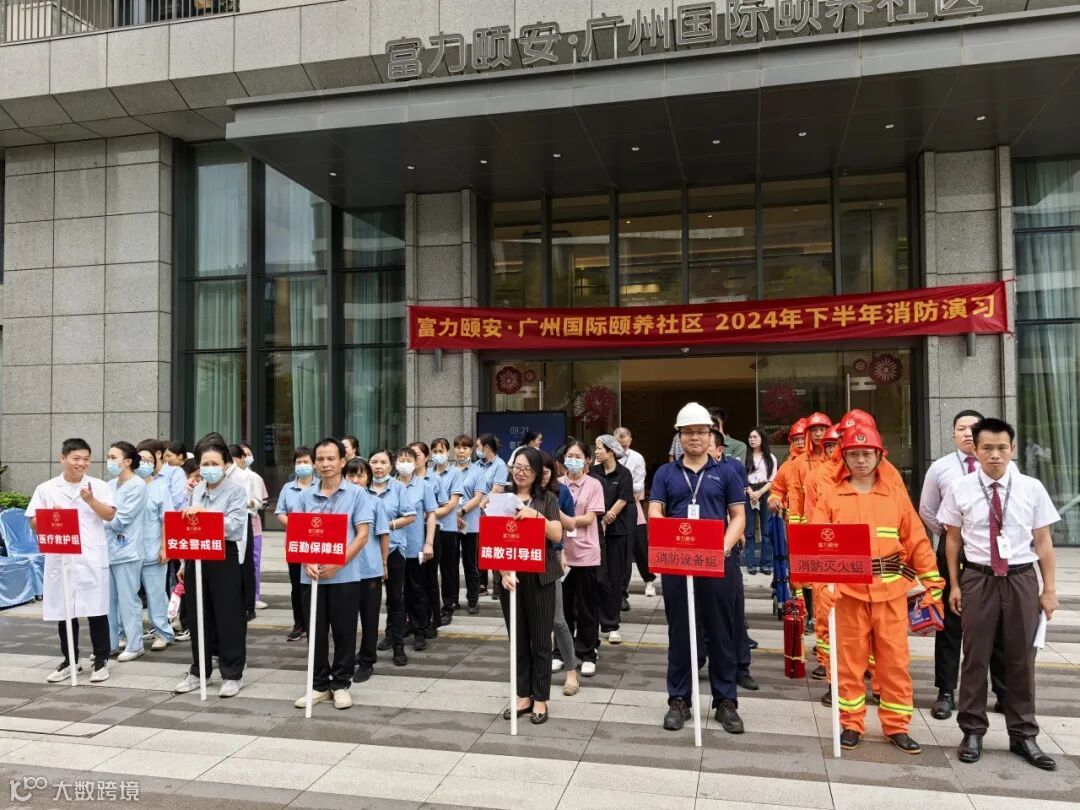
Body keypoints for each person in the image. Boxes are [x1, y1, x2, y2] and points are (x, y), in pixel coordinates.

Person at [811, 425, 943, 753]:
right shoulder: (830, 496)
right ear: (844, 457)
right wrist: (821, 587)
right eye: (853, 454)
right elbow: (815, 548)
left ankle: (897, 726)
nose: (860, 460)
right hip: (848, 594)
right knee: (849, 662)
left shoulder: (895, 495)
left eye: (866, 454)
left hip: (891, 593)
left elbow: (918, 542)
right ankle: (850, 724)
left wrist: (933, 585)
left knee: (894, 662)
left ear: (879, 455)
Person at [940, 417, 1060, 771]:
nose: (995, 455)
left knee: (1021, 658)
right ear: (975, 451)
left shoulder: (1031, 488)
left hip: (1021, 580)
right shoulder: (960, 488)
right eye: (987, 448)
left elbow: (1043, 541)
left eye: (1002, 448)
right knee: (975, 657)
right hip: (978, 578)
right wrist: (955, 584)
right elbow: (952, 539)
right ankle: (972, 730)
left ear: (1013, 449)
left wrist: (1049, 589)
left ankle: (1023, 734)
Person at [650, 403, 747, 734]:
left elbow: (738, 516)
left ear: (711, 435)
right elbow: (655, 512)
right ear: (679, 436)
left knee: (722, 630)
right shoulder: (665, 474)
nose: (695, 437)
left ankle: (726, 701)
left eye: (701, 432)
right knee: (680, 631)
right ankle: (679, 700)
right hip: (677, 564)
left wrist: (723, 547)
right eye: (688, 432)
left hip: (717, 561)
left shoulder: (727, 472)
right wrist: (669, 540)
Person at [919, 410, 1008, 721]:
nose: (968, 433)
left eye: (974, 427)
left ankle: (1003, 692)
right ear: (953, 433)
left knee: (997, 622)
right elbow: (927, 509)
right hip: (953, 552)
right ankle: (946, 692)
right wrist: (951, 535)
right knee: (950, 622)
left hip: (993, 551)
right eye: (961, 428)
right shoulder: (941, 468)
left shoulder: (1004, 466)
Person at [291, 439, 375, 711]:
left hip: (345, 575)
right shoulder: (304, 496)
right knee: (315, 632)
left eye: (330, 459)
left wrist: (338, 563)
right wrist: (306, 560)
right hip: (311, 576)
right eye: (320, 459)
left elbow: (362, 536)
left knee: (344, 632)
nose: (325, 464)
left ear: (342, 461)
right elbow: (297, 533)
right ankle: (318, 685)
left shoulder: (357, 494)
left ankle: (340, 684)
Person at [29, 439, 117, 684]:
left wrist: (90, 500)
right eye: (76, 458)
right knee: (65, 611)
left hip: (91, 557)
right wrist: (51, 516)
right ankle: (70, 661)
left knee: (97, 610)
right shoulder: (46, 488)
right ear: (63, 458)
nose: (82, 463)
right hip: (62, 558)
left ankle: (101, 660)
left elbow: (110, 514)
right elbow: (33, 522)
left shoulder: (98, 486)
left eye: (86, 459)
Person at [173, 437, 249, 698]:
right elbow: (189, 526)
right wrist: (184, 562)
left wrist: (207, 517)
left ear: (225, 464)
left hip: (223, 555)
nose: (210, 468)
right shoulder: (197, 489)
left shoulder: (236, 489)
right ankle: (199, 670)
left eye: (215, 463)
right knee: (198, 616)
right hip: (196, 556)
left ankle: (232, 673)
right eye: (205, 464)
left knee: (228, 617)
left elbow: (235, 526)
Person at [498, 447, 564, 725]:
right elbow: (493, 539)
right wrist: (502, 572)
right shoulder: (501, 498)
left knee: (540, 639)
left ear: (537, 473)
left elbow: (557, 534)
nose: (521, 473)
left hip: (541, 577)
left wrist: (535, 516)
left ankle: (541, 698)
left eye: (527, 469)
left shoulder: (547, 499)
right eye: (517, 467)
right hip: (511, 578)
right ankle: (522, 694)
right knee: (518, 639)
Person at [708, 430, 757, 692]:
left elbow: (739, 509)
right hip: (696, 553)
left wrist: (737, 534)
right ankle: (699, 659)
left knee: (733, 609)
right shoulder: (683, 472)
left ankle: (740, 667)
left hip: (726, 550)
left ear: (719, 449)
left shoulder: (732, 469)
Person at [558, 440, 605, 678]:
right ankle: (562, 652)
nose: (573, 460)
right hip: (562, 554)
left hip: (586, 554)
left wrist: (565, 520)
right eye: (569, 455)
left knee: (587, 607)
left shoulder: (594, 484)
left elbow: (589, 518)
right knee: (562, 608)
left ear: (587, 460)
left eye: (578, 456)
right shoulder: (557, 484)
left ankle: (588, 652)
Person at [344, 457, 391, 683]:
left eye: (360, 475)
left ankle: (367, 660)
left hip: (369, 569)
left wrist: (384, 564)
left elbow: (383, 535)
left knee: (369, 618)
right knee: (346, 618)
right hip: (343, 570)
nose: (355, 480)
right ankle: (348, 657)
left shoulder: (375, 503)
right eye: (350, 475)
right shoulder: (338, 502)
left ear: (368, 479)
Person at [370, 449, 416, 666]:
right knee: (369, 601)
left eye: (383, 462)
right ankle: (368, 649)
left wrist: (386, 525)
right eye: (374, 462)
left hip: (394, 549)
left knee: (396, 598)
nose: (378, 466)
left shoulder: (398, 488)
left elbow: (410, 516)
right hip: (368, 551)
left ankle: (398, 645)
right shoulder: (362, 488)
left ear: (391, 465)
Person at [105, 441, 149, 663]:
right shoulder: (109, 485)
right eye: (108, 457)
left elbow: (121, 519)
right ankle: (111, 643)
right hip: (107, 551)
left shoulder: (138, 485)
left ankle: (135, 644)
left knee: (128, 600)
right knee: (108, 602)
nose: (110, 461)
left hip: (128, 551)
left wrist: (101, 515)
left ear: (128, 461)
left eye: (114, 457)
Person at [540, 451, 580, 696]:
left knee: (557, 619)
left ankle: (571, 671)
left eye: (546, 472)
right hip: (527, 556)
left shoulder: (561, 492)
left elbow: (571, 524)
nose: (543, 476)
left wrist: (551, 508)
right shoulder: (522, 492)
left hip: (552, 556)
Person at [591, 434, 634, 644]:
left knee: (615, 579)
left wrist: (608, 517)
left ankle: (612, 624)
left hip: (617, 531)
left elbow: (624, 499)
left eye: (599, 448)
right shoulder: (593, 472)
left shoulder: (624, 474)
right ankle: (596, 620)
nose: (596, 451)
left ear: (610, 451)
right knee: (599, 578)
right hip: (595, 530)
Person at [395, 446, 437, 651]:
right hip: (393, 548)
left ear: (416, 463)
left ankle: (420, 629)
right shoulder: (390, 485)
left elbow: (431, 515)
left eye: (408, 460)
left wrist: (428, 542)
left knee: (417, 589)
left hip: (415, 546)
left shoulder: (424, 486)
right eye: (401, 460)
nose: (405, 464)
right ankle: (398, 629)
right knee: (397, 593)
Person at [275, 446, 316, 643]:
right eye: (299, 462)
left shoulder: (320, 486)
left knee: (314, 584)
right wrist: (298, 526)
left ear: (314, 464)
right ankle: (299, 623)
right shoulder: (287, 488)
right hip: (295, 543)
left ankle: (314, 623)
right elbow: (280, 512)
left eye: (306, 462)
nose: (302, 465)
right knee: (297, 585)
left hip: (317, 543)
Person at [134, 443, 172, 651]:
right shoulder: (125, 486)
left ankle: (162, 632)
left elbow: (167, 520)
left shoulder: (160, 487)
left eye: (150, 460)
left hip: (153, 549)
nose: (145, 464)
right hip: (128, 551)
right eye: (141, 460)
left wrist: (165, 547)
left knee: (156, 594)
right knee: (128, 596)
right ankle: (129, 634)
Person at [615, 427, 656, 600]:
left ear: (630, 441)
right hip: (612, 509)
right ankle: (621, 589)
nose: (622, 446)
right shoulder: (606, 456)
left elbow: (639, 486)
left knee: (640, 546)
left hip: (633, 506)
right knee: (620, 551)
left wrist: (617, 486)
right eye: (619, 443)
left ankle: (649, 580)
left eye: (625, 443)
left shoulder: (637, 458)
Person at [450, 435, 488, 615]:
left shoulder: (477, 471)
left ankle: (473, 599)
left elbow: (478, 497)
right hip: (449, 524)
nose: (461, 451)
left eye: (465, 447)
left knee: (470, 563)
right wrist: (452, 512)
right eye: (458, 447)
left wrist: (461, 511)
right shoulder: (449, 471)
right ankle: (452, 600)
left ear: (471, 450)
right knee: (450, 564)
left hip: (470, 524)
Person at [431, 438, 464, 628]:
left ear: (448, 452)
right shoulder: (428, 474)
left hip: (448, 527)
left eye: (441, 451)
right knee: (431, 570)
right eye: (435, 451)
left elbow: (452, 503)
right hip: (430, 528)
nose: (438, 454)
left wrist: (430, 513)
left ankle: (448, 606)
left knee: (448, 569)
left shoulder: (455, 473)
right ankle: (434, 607)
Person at [743, 427, 777, 576]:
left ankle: (766, 564)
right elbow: (741, 477)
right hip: (748, 492)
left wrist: (760, 492)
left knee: (766, 531)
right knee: (749, 531)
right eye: (750, 437)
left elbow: (772, 479)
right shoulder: (745, 456)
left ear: (762, 439)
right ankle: (751, 564)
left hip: (765, 492)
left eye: (755, 437)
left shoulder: (771, 458)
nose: (752, 440)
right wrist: (751, 492)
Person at [239, 443, 269, 611]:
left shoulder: (255, 477)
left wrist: (252, 504)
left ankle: (254, 596)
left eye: (249, 453)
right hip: (236, 526)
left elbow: (262, 501)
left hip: (253, 524)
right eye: (243, 454)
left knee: (254, 561)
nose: (246, 457)